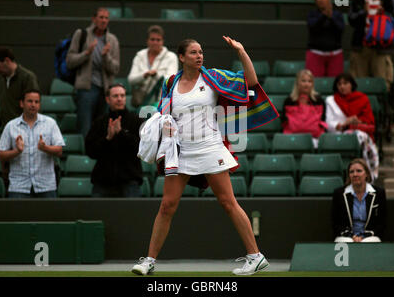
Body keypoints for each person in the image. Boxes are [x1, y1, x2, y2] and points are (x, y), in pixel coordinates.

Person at [132, 36, 279, 276]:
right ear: (181, 57)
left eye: (201, 52)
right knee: (167, 205)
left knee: (228, 202)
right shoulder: (170, 82)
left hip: (210, 148)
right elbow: (163, 112)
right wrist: (165, 126)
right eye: (193, 52)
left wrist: (241, 51)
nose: (199, 56)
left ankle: (255, 256)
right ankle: (149, 261)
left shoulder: (214, 77)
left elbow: (251, 82)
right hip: (181, 152)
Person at [0, 89, 65, 198]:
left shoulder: (50, 123)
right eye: (29, 101)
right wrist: (17, 151)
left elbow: (59, 151)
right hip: (19, 186)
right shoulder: (11, 126)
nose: (33, 105)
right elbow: (1, 155)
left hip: (45, 185)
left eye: (36, 102)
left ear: (39, 104)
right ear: (21, 103)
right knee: (18, 215)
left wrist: (45, 148)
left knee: (49, 215)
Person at [66, 7, 120, 138]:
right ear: (94, 19)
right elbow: (70, 61)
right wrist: (87, 53)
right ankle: (84, 158)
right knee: (85, 128)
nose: (104, 20)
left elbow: (115, 68)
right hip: (86, 89)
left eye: (106, 18)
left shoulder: (112, 40)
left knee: (103, 128)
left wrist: (106, 56)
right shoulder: (81, 34)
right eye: (101, 17)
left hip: (105, 90)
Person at [85, 84, 144, 197]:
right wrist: (108, 138)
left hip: (130, 180)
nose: (119, 99)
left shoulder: (136, 121)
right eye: (115, 96)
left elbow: (142, 148)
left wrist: (121, 133)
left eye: (122, 95)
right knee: (96, 214)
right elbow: (90, 151)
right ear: (108, 99)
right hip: (103, 181)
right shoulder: (100, 122)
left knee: (133, 215)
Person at [325, 73, 379, 180]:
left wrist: (357, 121)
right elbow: (329, 123)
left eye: (345, 83)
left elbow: (369, 121)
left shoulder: (362, 98)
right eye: (339, 84)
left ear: (351, 85)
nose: (342, 86)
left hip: (359, 131)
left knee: (360, 135)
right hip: (339, 133)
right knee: (356, 136)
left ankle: (368, 173)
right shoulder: (331, 100)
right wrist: (345, 124)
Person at [349, 0, 394, 92]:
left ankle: (381, 108)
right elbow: (351, 20)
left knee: (382, 82)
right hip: (361, 46)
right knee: (359, 82)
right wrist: (363, 12)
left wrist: (383, 14)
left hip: (380, 47)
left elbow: (393, 19)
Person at [0, 47, 39, 132]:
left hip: (24, 133)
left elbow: (33, 109)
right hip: (7, 133)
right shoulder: (3, 81)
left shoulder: (28, 78)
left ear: (7, 60)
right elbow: (7, 111)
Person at [332, 158, 387, 243]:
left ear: (366, 174)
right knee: (345, 242)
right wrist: (351, 236)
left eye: (359, 171)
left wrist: (365, 235)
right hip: (347, 236)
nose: (355, 174)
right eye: (351, 172)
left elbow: (382, 222)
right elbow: (336, 223)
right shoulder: (339, 194)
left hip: (370, 236)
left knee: (370, 242)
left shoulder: (379, 193)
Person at [127, 25, 179, 108]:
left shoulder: (171, 57)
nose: (155, 42)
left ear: (162, 41)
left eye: (158, 40)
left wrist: (156, 75)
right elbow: (131, 79)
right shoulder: (139, 56)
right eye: (152, 39)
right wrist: (144, 75)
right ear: (147, 41)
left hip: (161, 101)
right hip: (141, 101)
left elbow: (170, 81)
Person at [305, 0, 345, 77]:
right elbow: (313, 27)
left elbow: (340, 29)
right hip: (315, 53)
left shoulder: (337, 15)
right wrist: (324, 16)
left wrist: (331, 18)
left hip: (335, 54)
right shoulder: (312, 15)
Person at [282, 69, 327, 148]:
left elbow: (322, 120)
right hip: (292, 138)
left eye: (309, 81)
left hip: (315, 138)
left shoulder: (319, 100)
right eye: (303, 81)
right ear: (297, 83)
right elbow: (284, 121)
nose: (307, 84)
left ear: (312, 84)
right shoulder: (289, 101)